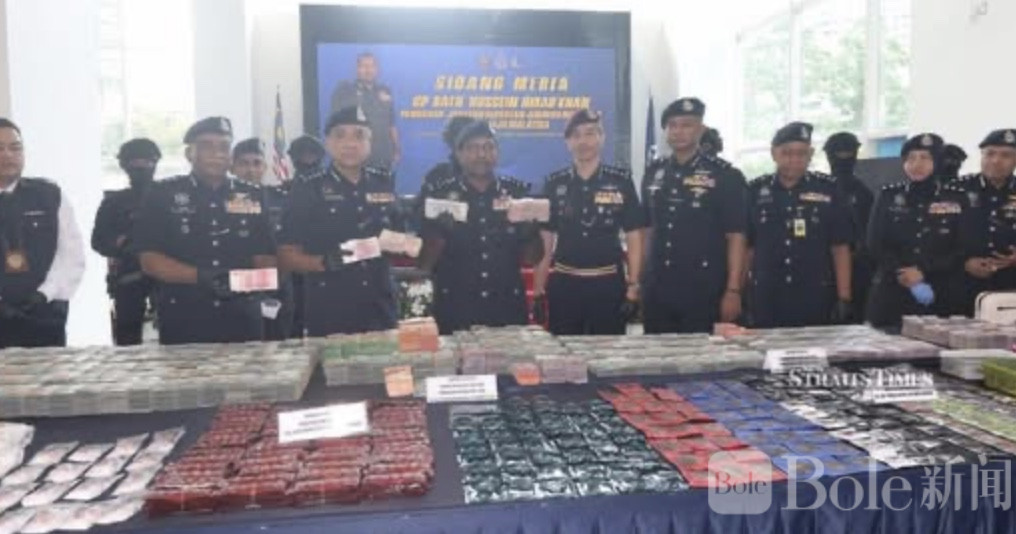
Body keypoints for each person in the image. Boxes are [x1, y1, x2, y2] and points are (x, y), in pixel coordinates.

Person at [134, 117, 278, 345]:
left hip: (242, 317)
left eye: (224, 147)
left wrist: (242, 283)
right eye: (206, 146)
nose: (217, 153)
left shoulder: (253, 195)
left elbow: (266, 259)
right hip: (185, 316)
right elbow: (150, 261)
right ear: (189, 153)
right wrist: (204, 278)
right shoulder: (163, 194)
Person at [277, 106, 404, 336]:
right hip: (331, 310)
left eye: (359, 135)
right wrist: (323, 262)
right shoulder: (308, 187)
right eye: (340, 135)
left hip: (380, 308)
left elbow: (402, 241)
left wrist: (414, 239)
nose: (350, 143)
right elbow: (286, 256)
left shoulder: (383, 183)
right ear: (327, 142)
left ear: (370, 143)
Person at [418, 120, 543, 335]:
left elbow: (533, 258)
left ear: (497, 153)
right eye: (473, 148)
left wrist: (529, 230)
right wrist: (437, 233)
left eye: (488, 147)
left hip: (506, 310)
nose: (481, 154)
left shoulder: (517, 194)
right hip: (456, 310)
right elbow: (424, 264)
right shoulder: (439, 196)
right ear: (459, 154)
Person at [532, 109, 646, 335]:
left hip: (608, 284)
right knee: (563, 352)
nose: (583, 141)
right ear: (567, 142)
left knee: (607, 353)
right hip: (565, 285)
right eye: (576, 135)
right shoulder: (554, 184)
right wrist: (538, 290)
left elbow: (634, 236)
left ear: (602, 138)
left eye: (590, 133)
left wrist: (634, 286)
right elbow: (545, 240)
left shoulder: (621, 181)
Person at [640, 97, 748, 333]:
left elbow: (736, 236)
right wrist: (640, 279)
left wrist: (733, 290)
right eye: (672, 125)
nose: (678, 132)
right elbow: (647, 229)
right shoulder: (654, 171)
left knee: (703, 352)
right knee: (656, 353)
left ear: (701, 129)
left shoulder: (725, 175)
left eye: (686, 125)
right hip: (658, 286)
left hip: (703, 286)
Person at [746, 122, 853, 328]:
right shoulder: (754, 191)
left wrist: (844, 297)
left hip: (815, 294)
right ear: (774, 153)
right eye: (787, 153)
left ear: (810, 154)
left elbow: (840, 247)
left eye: (801, 153)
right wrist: (741, 293)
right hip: (767, 294)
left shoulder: (828, 190)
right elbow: (747, 248)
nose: (794, 160)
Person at [0, 118, 85, 349]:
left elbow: (71, 254)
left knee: (48, 372)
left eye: (15, 148)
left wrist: (44, 294)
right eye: (0, 148)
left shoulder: (48, 194)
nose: (8, 155)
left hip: (43, 314)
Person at [866, 133, 966, 329]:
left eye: (925, 158)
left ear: (938, 161)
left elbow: (962, 247)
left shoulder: (956, 198)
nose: (916, 164)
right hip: (893, 291)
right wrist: (904, 273)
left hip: (939, 291)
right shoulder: (889, 195)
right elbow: (875, 243)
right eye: (911, 158)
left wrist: (923, 271)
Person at [91, 138, 160, 345]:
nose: (141, 167)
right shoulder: (113, 202)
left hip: (166, 276)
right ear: (124, 166)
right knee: (127, 342)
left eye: (146, 162)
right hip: (128, 277)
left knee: (175, 338)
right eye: (135, 163)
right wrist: (122, 243)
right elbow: (98, 241)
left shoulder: (168, 196)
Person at [231, 138, 294, 340]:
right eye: (244, 163)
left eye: (256, 163)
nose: (250, 170)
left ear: (265, 167)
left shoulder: (281, 198)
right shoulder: (221, 199)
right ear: (232, 167)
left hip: (278, 284)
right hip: (238, 286)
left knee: (280, 343)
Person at [955, 128, 1016, 314]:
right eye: (990, 154)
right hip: (961, 286)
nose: (996, 160)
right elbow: (935, 238)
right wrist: (963, 262)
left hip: (1010, 289)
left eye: (1006, 155)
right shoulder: (956, 190)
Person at [823, 132, 874, 322]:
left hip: (857, 268)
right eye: (839, 153)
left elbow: (871, 236)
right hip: (822, 268)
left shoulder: (863, 192)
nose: (843, 159)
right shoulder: (819, 189)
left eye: (847, 153)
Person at [330, 52, 400, 171]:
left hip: (382, 156)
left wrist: (396, 148)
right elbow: (336, 126)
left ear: (377, 69)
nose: (368, 70)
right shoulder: (346, 90)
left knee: (384, 183)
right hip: (356, 156)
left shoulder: (384, 91)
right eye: (364, 66)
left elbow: (391, 123)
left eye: (372, 66)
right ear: (357, 69)